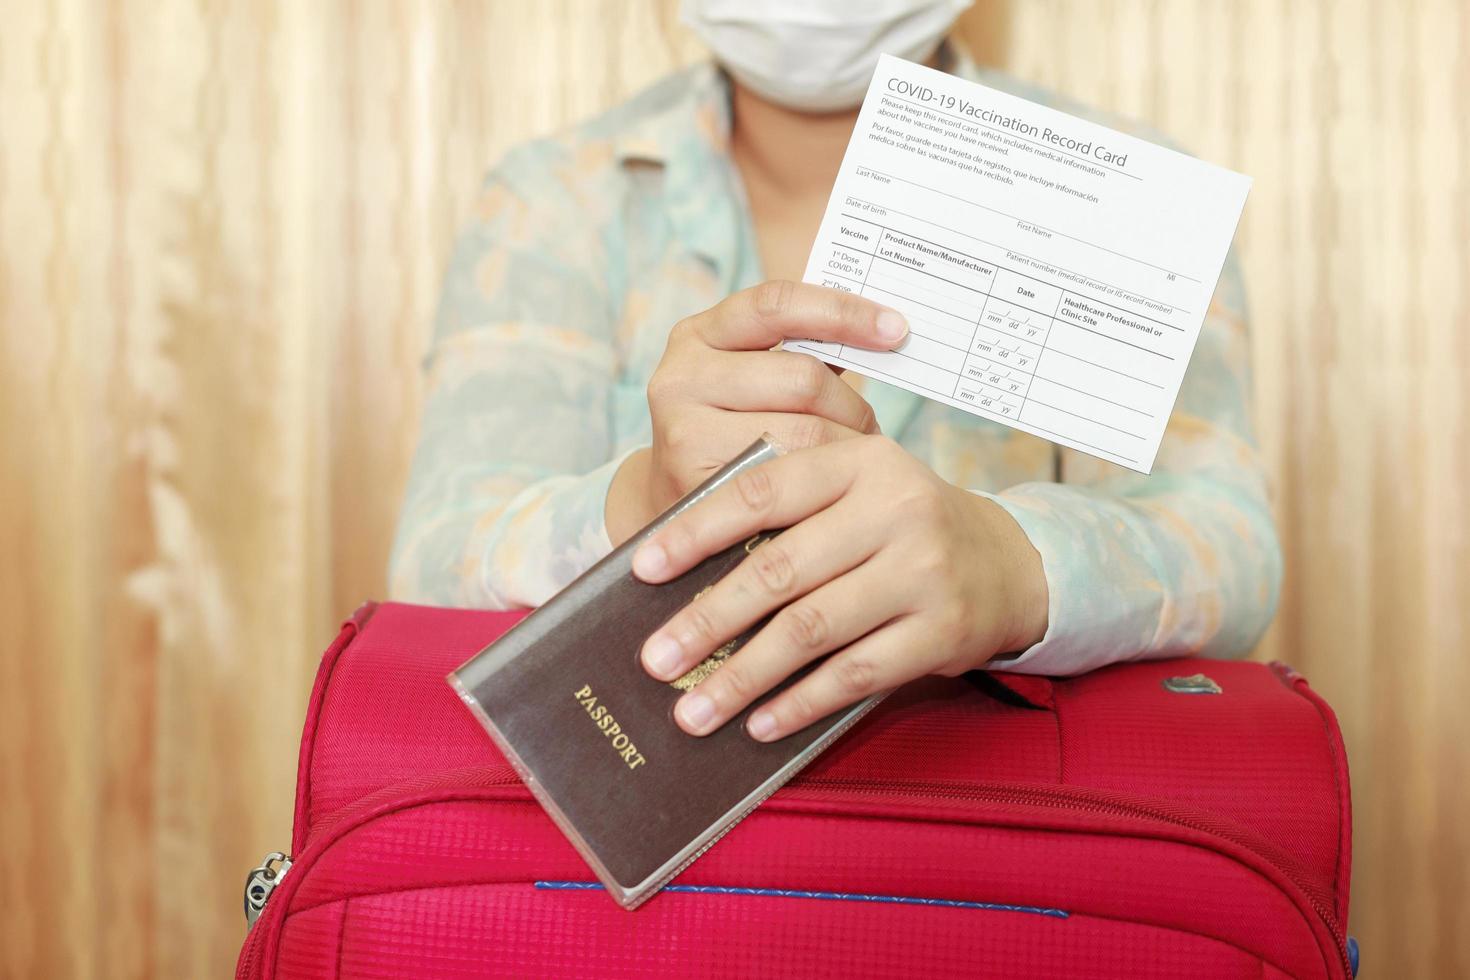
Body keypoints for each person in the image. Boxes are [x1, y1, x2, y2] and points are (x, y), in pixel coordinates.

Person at [389, 0, 1281, 743]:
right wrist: (641, 506)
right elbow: (436, 558)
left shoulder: (1125, 197)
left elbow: (1227, 549)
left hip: (990, 858)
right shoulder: (559, 199)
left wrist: (1016, 570)